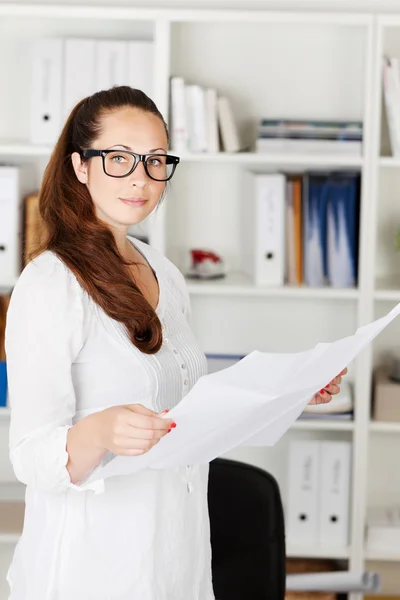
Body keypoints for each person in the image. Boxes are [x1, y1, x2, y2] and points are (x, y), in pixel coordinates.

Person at [4, 86, 346, 600]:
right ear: (81, 167)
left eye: (156, 160)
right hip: (91, 571)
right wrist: (98, 431)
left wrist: (291, 392)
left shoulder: (160, 269)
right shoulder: (51, 283)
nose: (140, 179)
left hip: (176, 558)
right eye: (118, 159)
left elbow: (189, 414)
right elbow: (29, 457)